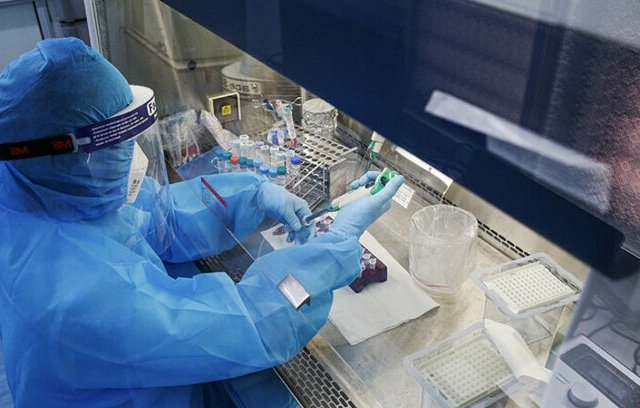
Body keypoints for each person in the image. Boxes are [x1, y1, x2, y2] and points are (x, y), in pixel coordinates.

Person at [0, 38, 404, 407]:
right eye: (118, 144)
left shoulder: (42, 189)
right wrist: (330, 251)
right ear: (64, 154)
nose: (134, 155)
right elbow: (251, 322)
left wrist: (255, 196)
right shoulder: (71, 295)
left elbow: (159, 217)